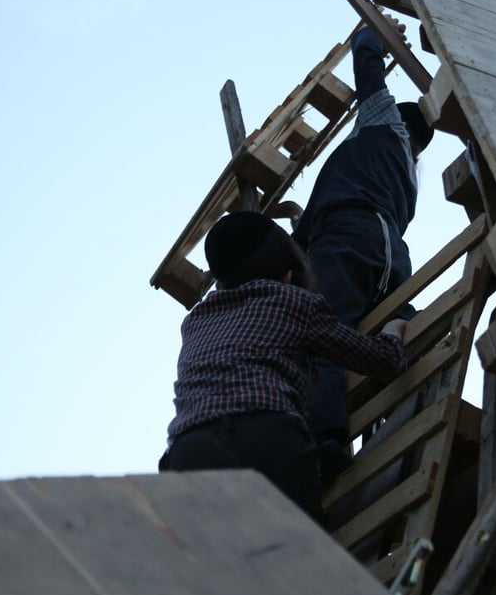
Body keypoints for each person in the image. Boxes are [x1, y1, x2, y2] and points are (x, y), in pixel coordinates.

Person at [158, 211, 407, 521]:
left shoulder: (195, 321)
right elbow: (383, 360)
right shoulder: (292, 301)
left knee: (225, 562)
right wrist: (394, 329)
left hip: (189, 451)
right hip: (265, 436)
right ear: (288, 273)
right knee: (295, 554)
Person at [290, 18, 435, 479]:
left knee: (321, 331)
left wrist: (369, 32)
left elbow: (368, 69)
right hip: (388, 251)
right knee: (388, 326)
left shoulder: (383, 124)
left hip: (353, 237)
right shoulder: (406, 174)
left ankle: (326, 442)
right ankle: (396, 428)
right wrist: (302, 227)